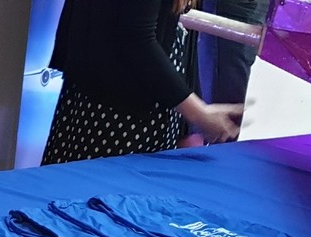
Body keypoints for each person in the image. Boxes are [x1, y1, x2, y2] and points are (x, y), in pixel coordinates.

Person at [42, 0, 243, 164]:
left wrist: (191, 118)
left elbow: (167, 30)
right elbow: (136, 37)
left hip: (140, 98)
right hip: (116, 108)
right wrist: (198, 113)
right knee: (99, 194)